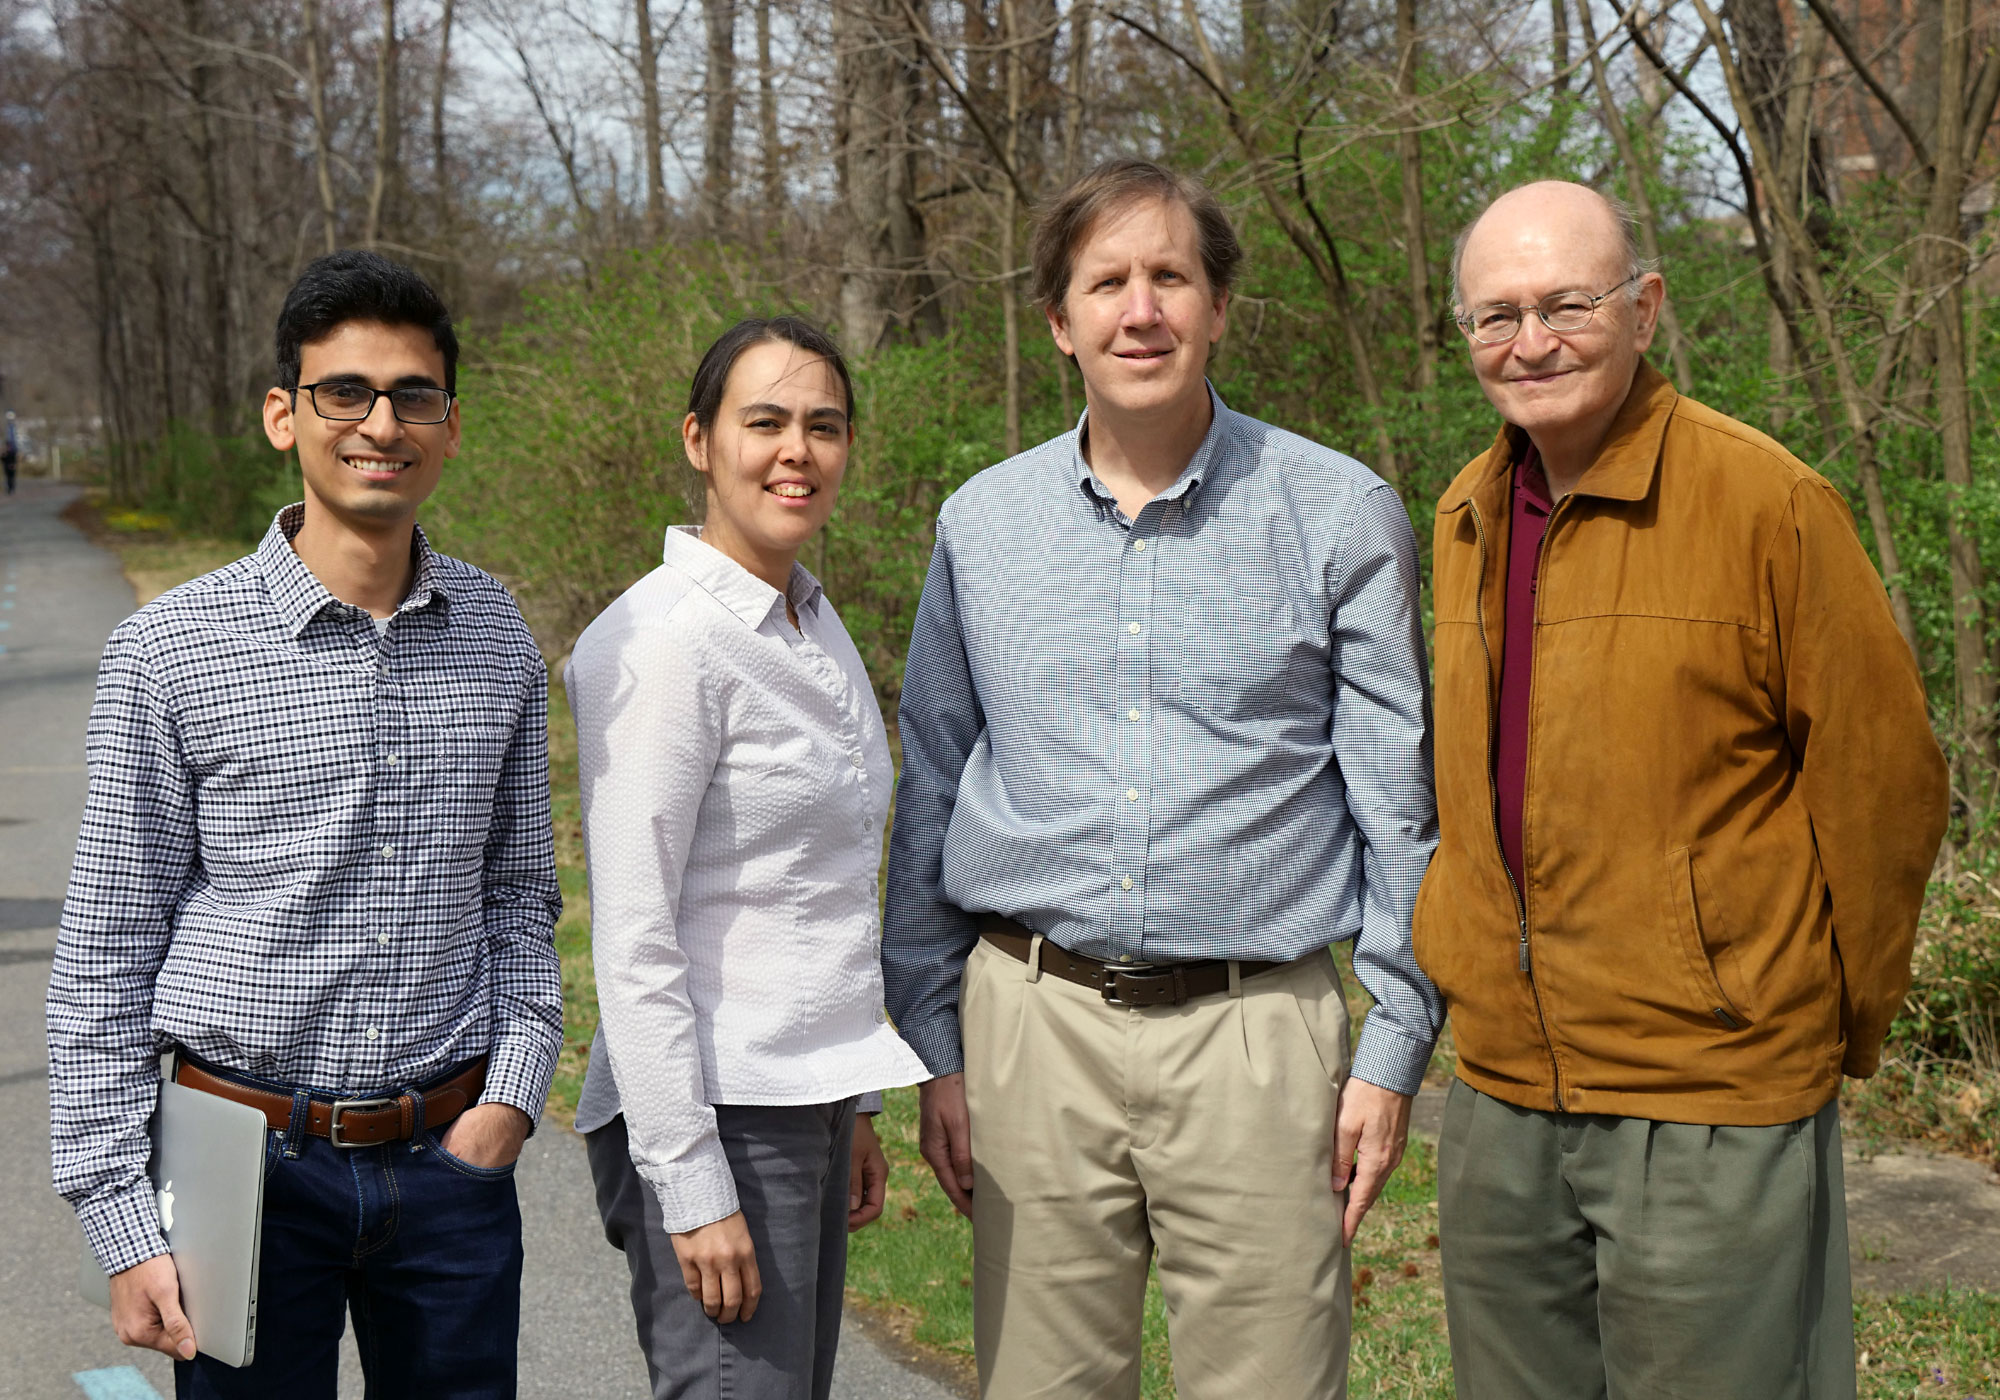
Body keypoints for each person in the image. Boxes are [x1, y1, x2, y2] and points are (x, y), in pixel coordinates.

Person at [882, 158, 1441, 1399]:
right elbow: (930, 777)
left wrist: (1392, 1046)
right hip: (1032, 1024)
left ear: (1219, 306)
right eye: (1107, 282)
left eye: (1169, 277)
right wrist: (935, 1044)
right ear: (1058, 322)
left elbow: (1397, 806)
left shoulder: (1338, 513)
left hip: (1256, 1035)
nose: (1141, 310)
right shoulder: (983, 525)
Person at [1419, 179, 1949, 1400]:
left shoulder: (1768, 503)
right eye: (1495, 315)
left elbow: (1884, 791)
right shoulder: (1464, 511)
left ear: (1644, 307)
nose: (1530, 340)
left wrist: (1810, 1026)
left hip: (1707, 1097)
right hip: (1500, 1093)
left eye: (1565, 302)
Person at [47, 250, 563, 1398]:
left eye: (411, 395)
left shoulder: (497, 634)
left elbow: (520, 895)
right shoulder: (169, 650)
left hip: (449, 1167)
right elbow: (104, 953)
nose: (380, 423)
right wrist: (123, 1219)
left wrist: (512, 1097)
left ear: (449, 423)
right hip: (242, 1163)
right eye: (346, 392)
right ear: (286, 414)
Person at [566, 316, 929, 1400]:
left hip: (804, 1096)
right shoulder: (663, 639)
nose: (796, 450)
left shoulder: (810, 621)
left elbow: (824, 889)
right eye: (763, 421)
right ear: (697, 439)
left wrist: (855, 1101)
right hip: (715, 1109)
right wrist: (690, 1180)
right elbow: (629, 933)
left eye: (823, 425)